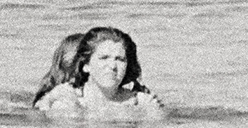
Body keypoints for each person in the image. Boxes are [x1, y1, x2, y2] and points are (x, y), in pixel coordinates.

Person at [32, 25, 166, 121]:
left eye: (120, 59)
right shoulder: (66, 99)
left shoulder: (142, 102)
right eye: (104, 58)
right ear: (86, 65)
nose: (112, 66)